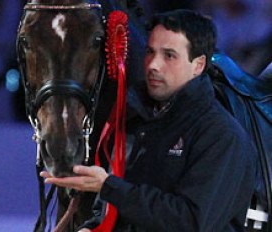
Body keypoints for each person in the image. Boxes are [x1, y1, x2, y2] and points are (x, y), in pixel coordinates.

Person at [41, 9, 257, 231]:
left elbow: (190, 222)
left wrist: (109, 187)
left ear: (198, 65)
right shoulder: (135, 119)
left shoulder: (221, 135)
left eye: (169, 55)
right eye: (150, 52)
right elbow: (113, 209)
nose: (153, 65)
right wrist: (93, 228)